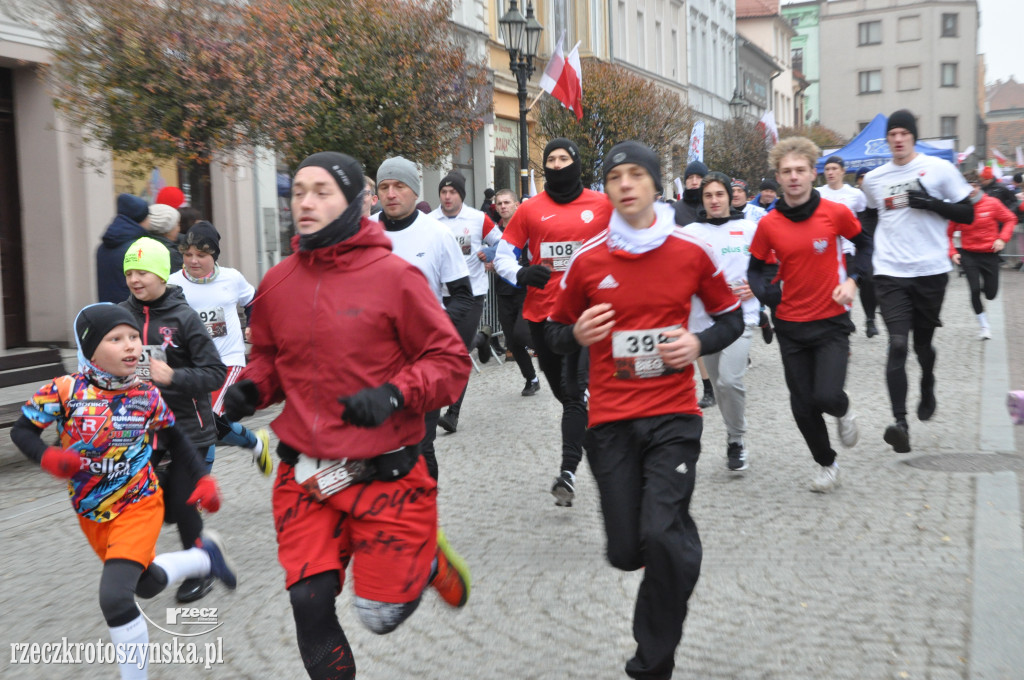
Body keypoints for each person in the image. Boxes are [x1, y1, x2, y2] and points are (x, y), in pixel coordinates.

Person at [222, 151, 471, 680]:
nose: (306, 203)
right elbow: (268, 356)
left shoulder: (396, 278)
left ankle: (424, 558)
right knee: (308, 602)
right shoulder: (277, 282)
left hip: (385, 471)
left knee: (379, 617)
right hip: (305, 474)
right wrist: (253, 387)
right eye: (299, 192)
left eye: (322, 192)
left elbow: (450, 362)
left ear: (355, 201)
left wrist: (395, 395)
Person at [545, 141, 743, 679]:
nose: (626, 184)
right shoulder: (588, 261)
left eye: (637, 175)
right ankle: (679, 544)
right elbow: (555, 331)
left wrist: (698, 345)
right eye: (616, 177)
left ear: (658, 185)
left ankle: (651, 661)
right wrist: (577, 333)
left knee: (661, 537)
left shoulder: (689, 251)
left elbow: (731, 320)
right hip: (609, 422)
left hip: (673, 416)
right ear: (606, 189)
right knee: (627, 551)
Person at [10, 303, 235, 680]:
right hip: (91, 513)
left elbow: (177, 438)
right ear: (91, 350)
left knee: (115, 598)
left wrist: (203, 478)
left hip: (140, 504)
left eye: (133, 337)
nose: (131, 345)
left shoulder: (146, 394)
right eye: (116, 339)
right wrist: (46, 456)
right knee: (146, 585)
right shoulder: (63, 391)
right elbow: (22, 431)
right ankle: (204, 558)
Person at [492, 138, 613, 507]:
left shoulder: (602, 205)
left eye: (564, 158)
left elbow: (630, 241)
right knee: (565, 397)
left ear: (576, 163)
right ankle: (591, 437)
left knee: (575, 394)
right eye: (552, 159)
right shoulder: (531, 209)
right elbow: (502, 254)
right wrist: (521, 273)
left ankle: (567, 472)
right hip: (543, 316)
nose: (558, 164)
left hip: (586, 314)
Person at [747, 136, 871, 492]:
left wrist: (853, 281)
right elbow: (755, 271)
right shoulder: (769, 224)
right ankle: (826, 464)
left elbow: (864, 245)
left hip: (831, 319)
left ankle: (844, 411)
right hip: (791, 326)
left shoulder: (835, 213)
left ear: (813, 172)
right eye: (787, 171)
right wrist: (769, 295)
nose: (794, 177)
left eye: (800, 170)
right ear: (778, 176)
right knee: (802, 407)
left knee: (827, 396)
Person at [120, 237, 229, 603]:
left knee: (183, 504)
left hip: (187, 426)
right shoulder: (121, 315)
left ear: (162, 273)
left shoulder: (184, 318)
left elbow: (214, 373)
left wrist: (173, 378)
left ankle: (200, 569)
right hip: (138, 428)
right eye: (130, 272)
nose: (135, 279)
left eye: (143, 272)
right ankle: (144, 565)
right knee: (138, 503)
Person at [860, 109, 974, 453]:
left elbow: (967, 213)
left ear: (913, 136)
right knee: (897, 344)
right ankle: (900, 423)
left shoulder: (940, 169)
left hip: (930, 271)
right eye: (892, 134)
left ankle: (927, 382)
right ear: (887, 139)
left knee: (922, 346)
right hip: (890, 272)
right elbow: (868, 217)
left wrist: (933, 203)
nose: (897, 139)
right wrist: (864, 249)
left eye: (903, 133)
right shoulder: (874, 179)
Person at [371, 156, 473, 477]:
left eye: (399, 186)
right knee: (379, 446)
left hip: (424, 360)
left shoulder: (437, 234)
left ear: (414, 191)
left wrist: (434, 329)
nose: (391, 194)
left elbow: (462, 296)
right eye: (384, 187)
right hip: (373, 362)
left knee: (419, 445)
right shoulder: (363, 234)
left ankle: (426, 520)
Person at [167, 221, 272, 474]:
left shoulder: (232, 278)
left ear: (213, 255)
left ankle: (199, 486)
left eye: (201, 255)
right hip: (191, 365)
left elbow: (254, 301)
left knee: (207, 421)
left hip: (227, 360)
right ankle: (256, 443)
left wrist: (254, 323)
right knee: (211, 422)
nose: (193, 261)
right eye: (188, 254)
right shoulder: (171, 283)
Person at [682, 171, 760, 472]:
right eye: (708, 195)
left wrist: (758, 288)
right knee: (719, 384)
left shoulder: (750, 228)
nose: (714, 200)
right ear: (702, 200)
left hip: (742, 316)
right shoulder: (692, 233)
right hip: (704, 321)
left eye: (719, 194)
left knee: (730, 380)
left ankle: (737, 440)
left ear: (730, 196)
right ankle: (733, 432)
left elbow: (770, 267)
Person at [430, 170, 502, 432]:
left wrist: (490, 252)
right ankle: (482, 339)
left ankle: (452, 413)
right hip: (440, 296)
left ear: (461, 195)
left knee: (458, 351)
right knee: (444, 349)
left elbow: (504, 241)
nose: (447, 197)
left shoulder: (477, 218)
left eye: (453, 192)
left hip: (472, 293)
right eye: (443, 192)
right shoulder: (430, 221)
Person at [818, 155, 879, 338]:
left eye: (834, 169)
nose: (830, 172)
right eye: (827, 169)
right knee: (833, 288)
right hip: (826, 250)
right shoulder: (818, 193)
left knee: (863, 282)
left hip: (850, 249)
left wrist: (864, 241)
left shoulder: (856, 194)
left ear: (843, 172)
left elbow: (864, 218)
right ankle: (842, 326)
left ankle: (869, 319)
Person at [487, 188, 540, 395]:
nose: (503, 207)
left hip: (525, 290)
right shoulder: (495, 232)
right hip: (503, 290)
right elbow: (485, 253)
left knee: (522, 333)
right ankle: (532, 378)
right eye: (499, 203)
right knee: (512, 340)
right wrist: (492, 263)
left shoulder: (526, 228)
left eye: (507, 202)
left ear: (516, 205)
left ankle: (553, 353)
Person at [947, 185, 1016, 339]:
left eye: (973, 186)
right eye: (966, 186)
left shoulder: (992, 203)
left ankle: (987, 289)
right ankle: (984, 326)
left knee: (991, 294)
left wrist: (1002, 239)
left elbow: (1010, 219)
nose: (970, 190)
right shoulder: (959, 208)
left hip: (989, 254)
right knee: (974, 289)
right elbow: (947, 233)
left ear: (979, 186)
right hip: (968, 254)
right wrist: (952, 252)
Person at [97, 194, 150, 303]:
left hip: (109, 312)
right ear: (140, 218)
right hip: (134, 313)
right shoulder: (138, 248)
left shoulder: (103, 247)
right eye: (148, 216)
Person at [144, 203, 185, 274]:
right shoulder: (171, 255)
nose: (179, 229)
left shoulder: (143, 245)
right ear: (167, 229)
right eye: (177, 224)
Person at [673, 160, 708, 226]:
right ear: (685, 181)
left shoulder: (714, 206)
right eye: (690, 177)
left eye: (699, 177)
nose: (694, 182)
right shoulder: (673, 210)